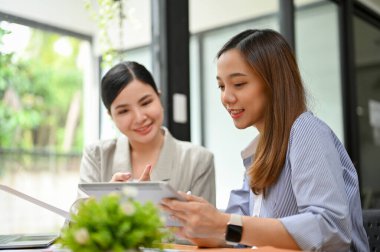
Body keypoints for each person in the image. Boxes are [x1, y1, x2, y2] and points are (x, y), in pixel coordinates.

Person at [162, 29, 369, 251]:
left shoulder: (306, 131)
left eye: (239, 84)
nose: (226, 97)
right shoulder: (261, 150)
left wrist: (223, 224)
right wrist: (191, 219)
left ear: (274, 83)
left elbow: (330, 229)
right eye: (221, 86)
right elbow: (235, 231)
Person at [79, 61, 216, 205]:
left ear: (159, 97)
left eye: (145, 103)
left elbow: (206, 225)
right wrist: (105, 203)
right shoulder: (97, 155)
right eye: (124, 111)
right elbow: (75, 224)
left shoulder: (198, 160)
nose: (139, 118)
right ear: (110, 116)